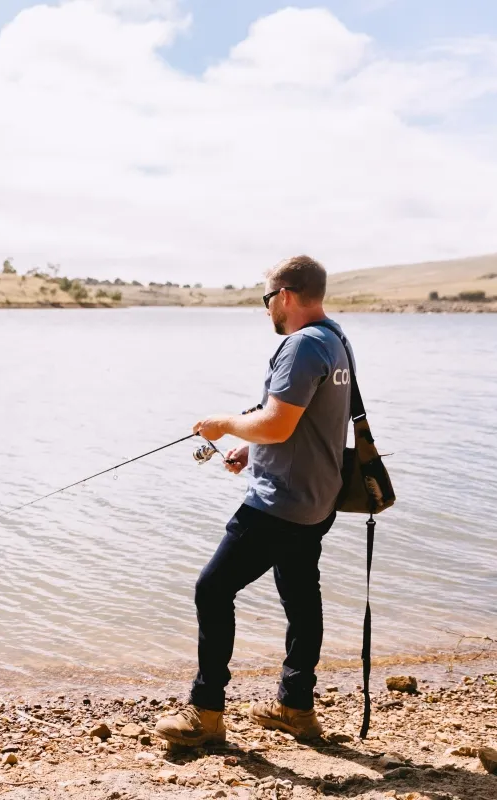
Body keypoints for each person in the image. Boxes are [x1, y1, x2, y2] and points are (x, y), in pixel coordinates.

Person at [155, 255, 353, 746]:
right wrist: (252, 446)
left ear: (285, 295)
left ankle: (206, 714)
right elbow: (298, 420)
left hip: (278, 504)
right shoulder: (336, 340)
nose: (267, 310)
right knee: (302, 599)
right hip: (317, 500)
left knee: (213, 589)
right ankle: (297, 708)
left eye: (268, 300)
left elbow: (278, 423)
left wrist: (223, 424)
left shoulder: (302, 345)